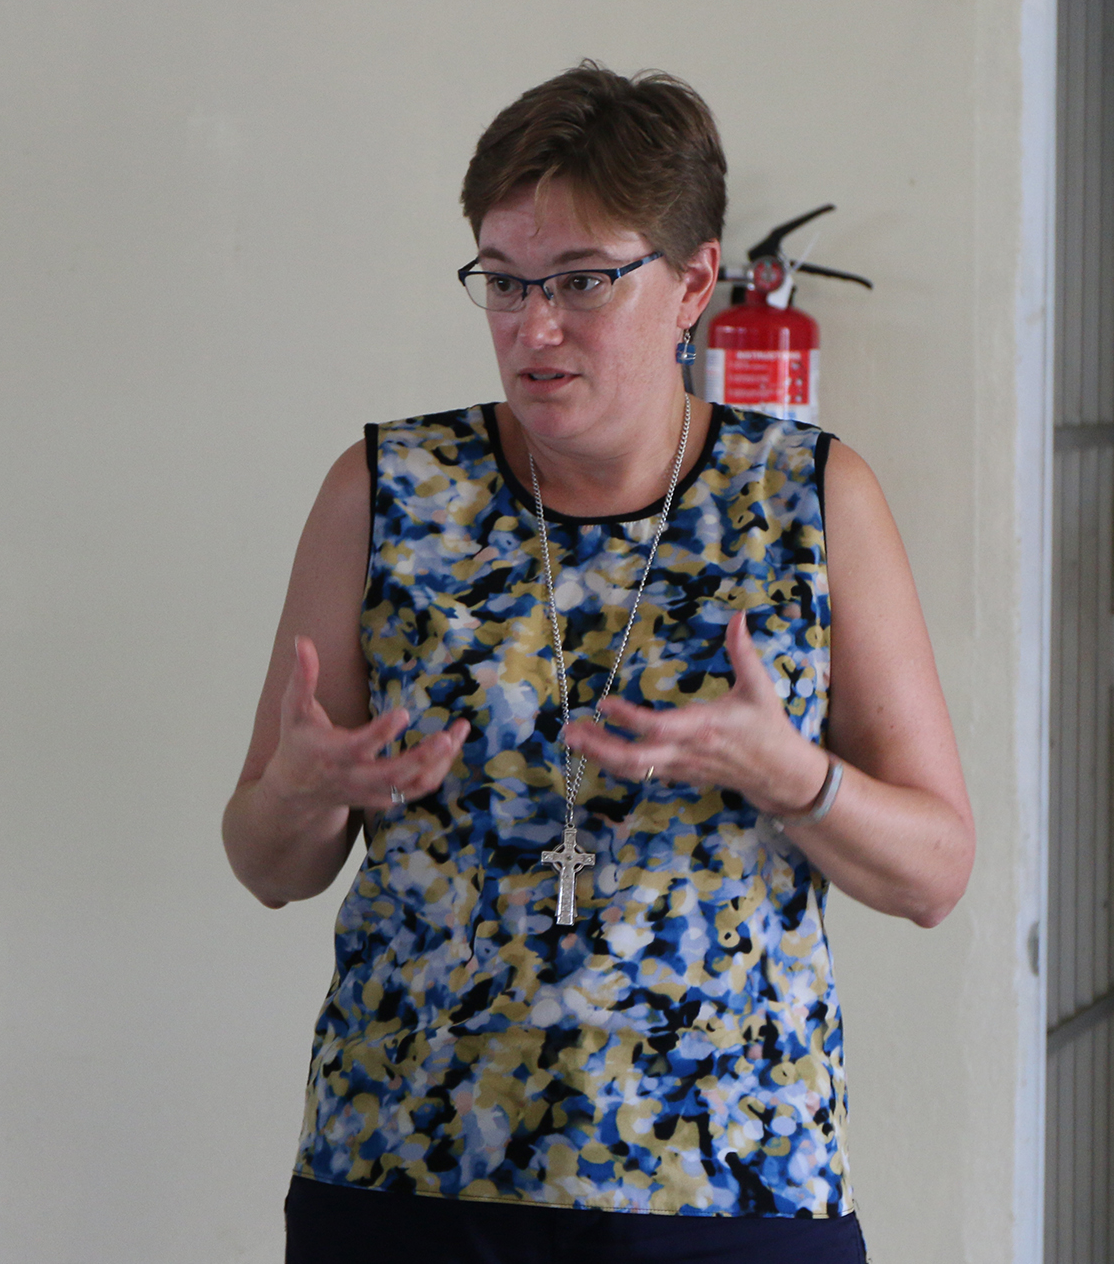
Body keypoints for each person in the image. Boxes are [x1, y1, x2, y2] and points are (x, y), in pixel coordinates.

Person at [221, 65, 973, 1264]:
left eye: (581, 282)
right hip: (406, 1176)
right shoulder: (384, 491)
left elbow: (934, 872)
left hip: (732, 1187)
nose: (533, 326)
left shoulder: (809, 499)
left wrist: (793, 778)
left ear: (688, 283)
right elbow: (263, 864)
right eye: (504, 282)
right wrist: (303, 790)